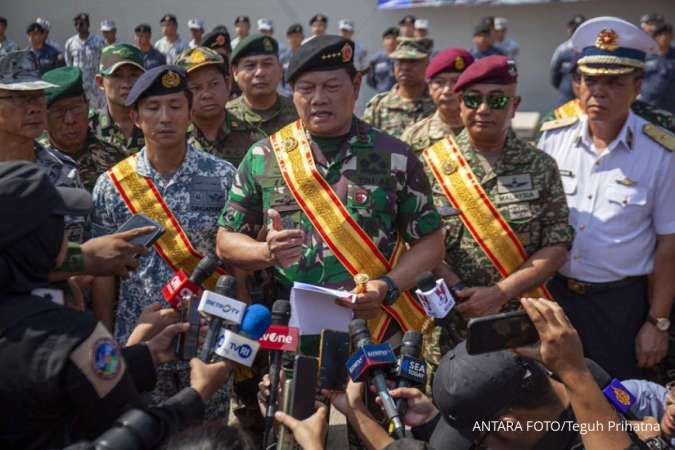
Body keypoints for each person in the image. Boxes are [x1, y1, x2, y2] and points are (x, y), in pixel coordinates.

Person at [216, 32, 444, 386]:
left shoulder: (394, 156)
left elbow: (430, 243)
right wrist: (265, 251)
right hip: (291, 332)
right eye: (306, 88)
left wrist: (388, 286)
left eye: (331, 86)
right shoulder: (266, 156)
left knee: (376, 431)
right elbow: (226, 240)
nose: (318, 99)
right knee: (294, 431)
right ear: (292, 92)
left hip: (375, 325)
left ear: (355, 85)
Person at [0, 161, 235, 450]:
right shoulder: (75, 335)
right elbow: (131, 433)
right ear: (41, 238)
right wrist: (197, 394)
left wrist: (143, 356)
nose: (69, 233)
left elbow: (75, 382)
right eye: (59, 222)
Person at [417, 55, 572, 395]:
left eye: (497, 99)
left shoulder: (541, 166)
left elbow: (557, 244)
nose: (483, 108)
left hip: (522, 324)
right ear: (460, 104)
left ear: (514, 105)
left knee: (526, 424)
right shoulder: (428, 165)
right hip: (450, 326)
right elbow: (413, 241)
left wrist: (501, 292)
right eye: (473, 99)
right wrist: (457, 286)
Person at [92, 65, 237, 417]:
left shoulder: (222, 177)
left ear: (190, 113)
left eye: (175, 106)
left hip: (206, 342)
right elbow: (102, 273)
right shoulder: (112, 185)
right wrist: (108, 339)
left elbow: (236, 268)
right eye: (153, 108)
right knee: (141, 433)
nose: (165, 117)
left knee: (206, 438)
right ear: (135, 117)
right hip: (140, 342)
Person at [538, 16, 675, 380]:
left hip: (620, 307)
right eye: (590, 79)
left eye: (614, 82)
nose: (598, 91)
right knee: (553, 404)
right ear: (577, 84)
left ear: (638, 86)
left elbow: (668, 245)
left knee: (616, 407)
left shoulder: (660, 154)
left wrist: (656, 323)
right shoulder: (553, 138)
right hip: (556, 298)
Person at [42, 67, 127, 192]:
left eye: (76, 108)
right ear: (44, 116)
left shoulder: (116, 157)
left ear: (87, 107)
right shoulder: (35, 161)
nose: (70, 120)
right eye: (58, 111)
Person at [177, 47, 257, 167]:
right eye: (196, 88)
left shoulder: (253, 137)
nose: (207, 94)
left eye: (214, 84)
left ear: (228, 84)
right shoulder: (175, 139)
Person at [227, 35, 298, 145]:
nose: (260, 72)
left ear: (280, 70)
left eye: (267, 64)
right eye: (250, 66)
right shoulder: (225, 118)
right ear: (235, 73)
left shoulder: (299, 114)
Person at [401, 48, 474, 154]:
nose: (447, 90)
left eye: (455, 81)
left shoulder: (489, 133)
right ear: (430, 88)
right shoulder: (413, 137)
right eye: (439, 82)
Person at [362, 37, 435, 138]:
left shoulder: (438, 104)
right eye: (400, 61)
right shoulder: (378, 106)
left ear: (427, 64)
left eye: (412, 61)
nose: (405, 67)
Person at [91, 43, 146, 155]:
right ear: (100, 82)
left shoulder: (156, 123)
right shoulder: (88, 128)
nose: (126, 84)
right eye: (117, 76)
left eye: (134, 75)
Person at [64, 13, 107, 110]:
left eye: (81, 24)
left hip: (95, 86)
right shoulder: (70, 43)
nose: (78, 27)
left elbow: (105, 60)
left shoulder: (98, 41)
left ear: (88, 25)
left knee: (98, 113)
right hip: (79, 85)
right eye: (76, 24)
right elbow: (69, 64)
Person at [550, 14, 585, 106]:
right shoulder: (562, 50)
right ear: (569, 29)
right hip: (566, 99)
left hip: (585, 99)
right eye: (574, 30)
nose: (576, 33)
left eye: (579, 30)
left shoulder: (590, 49)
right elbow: (554, 76)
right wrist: (565, 88)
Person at [640, 22, 675, 114]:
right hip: (647, 104)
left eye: (666, 35)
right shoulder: (645, 55)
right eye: (660, 35)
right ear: (655, 37)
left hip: (671, 107)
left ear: (672, 37)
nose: (663, 38)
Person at [366, 27, 399, 94]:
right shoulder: (376, 60)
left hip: (399, 96)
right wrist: (380, 88)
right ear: (383, 41)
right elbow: (370, 80)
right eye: (388, 38)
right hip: (382, 96)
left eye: (394, 38)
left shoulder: (403, 59)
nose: (391, 41)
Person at [279, 24, 304, 97]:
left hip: (303, 93)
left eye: (298, 36)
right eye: (292, 36)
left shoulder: (308, 55)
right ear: (288, 38)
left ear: (302, 37)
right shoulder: (283, 58)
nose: (295, 39)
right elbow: (280, 76)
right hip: (288, 94)